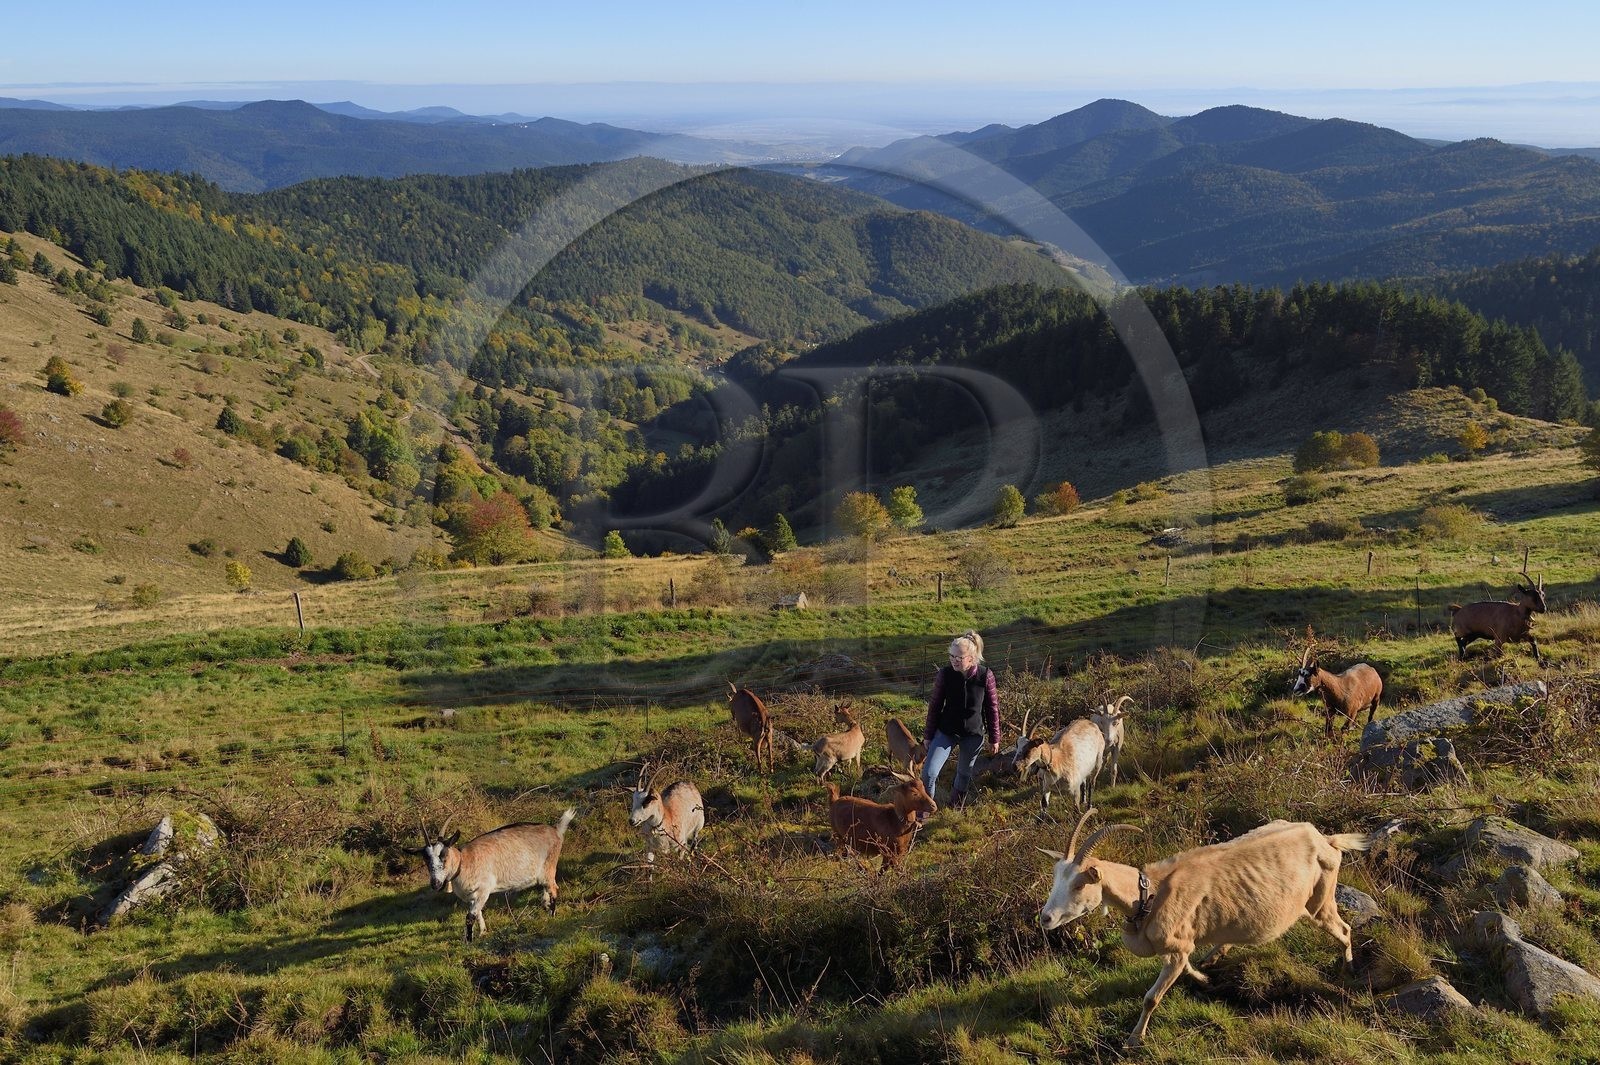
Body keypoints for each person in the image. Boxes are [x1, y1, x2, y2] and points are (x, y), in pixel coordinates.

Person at [920, 630, 1000, 811]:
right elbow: (935, 706)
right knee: (929, 773)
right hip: (946, 731)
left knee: (964, 774)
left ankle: (954, 808)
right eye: (951, 656)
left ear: (971, 658)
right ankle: (925, 810)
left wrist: (995, 738)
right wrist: (928, 735)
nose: (954, 660)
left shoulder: (985, 676)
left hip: (973, 734)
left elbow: (992, 708)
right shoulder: (945, 674)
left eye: (959, 657)